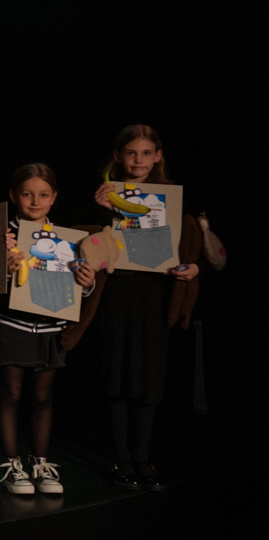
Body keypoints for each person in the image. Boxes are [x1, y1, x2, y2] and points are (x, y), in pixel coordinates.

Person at [90, 126, 196, 492]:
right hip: (119, 291)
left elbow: (190, 245)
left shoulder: (170, 197)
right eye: (131, 153)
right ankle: (122, 456)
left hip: (155, 293)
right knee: (118, 370)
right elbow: (87, 246)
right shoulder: (105, 195)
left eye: (146, 153)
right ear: (118, 156)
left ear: (158, 156)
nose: (138, 160)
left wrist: (193, 268)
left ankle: (143, 456)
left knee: (149, 374)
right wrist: (106, 212)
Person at [0, 164, 95, 495]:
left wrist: (87, 284)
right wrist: (5, 270)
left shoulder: (67, 239)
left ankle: (41, 463)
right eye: (27, 194)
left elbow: (76, 287)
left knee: (42, 396)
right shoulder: (0, 234)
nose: (35, 201)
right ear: (13, 196)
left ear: (54, 198)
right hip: (12, 324)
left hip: (51, 327)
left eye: (43, 195)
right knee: (11, 393)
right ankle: (12, 465)